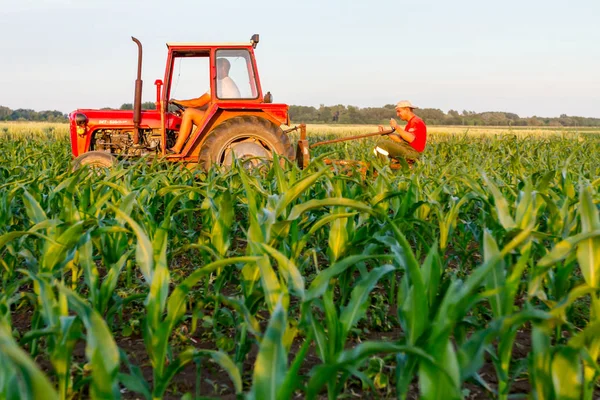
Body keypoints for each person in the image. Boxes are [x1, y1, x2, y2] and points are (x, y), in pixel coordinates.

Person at [168, 58, 241, 154]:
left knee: (189, 113)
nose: (214, 71)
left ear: (223, 68)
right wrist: (185, 108)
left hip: (220, 121)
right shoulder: (227, 83)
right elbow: (206, 105)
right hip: (223, 118)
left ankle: (176, 148)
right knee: (188, 111)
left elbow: (199, 102)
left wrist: (177, 101)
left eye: (216, 67)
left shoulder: (222, 84)